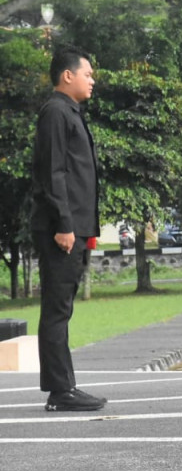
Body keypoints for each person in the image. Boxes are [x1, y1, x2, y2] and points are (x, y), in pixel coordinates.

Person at [30, 49, 106, 412]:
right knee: (57, 310)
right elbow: (52, 172)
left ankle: (63, 387)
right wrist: (64, 224)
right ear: (67, 76)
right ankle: (61, 391)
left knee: (62, 308)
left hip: (73, 228)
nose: (92, 80)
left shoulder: (69, 113)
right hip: (62, 230)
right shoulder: (56, 113)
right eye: (87, 74)